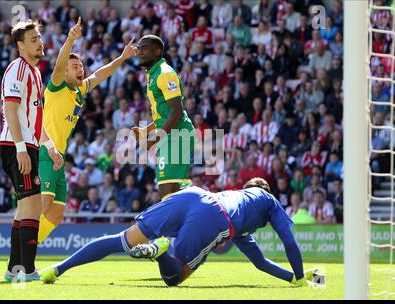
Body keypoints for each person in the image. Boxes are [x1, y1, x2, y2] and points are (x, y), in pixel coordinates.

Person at [40, 178, 318, 287]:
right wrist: (301, 277)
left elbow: (259, 262)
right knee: (176, 276)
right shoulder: (268, 201)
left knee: (120, 241)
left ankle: (58, 269)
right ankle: (160, 252)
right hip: (214, 216)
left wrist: (292, 277)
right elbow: (289, 242)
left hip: (192, 196)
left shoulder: (239, 203)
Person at [37, 17, 136, 243]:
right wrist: (71, 39)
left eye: (81, 65)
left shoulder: (79, 89)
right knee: (43, 206)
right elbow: (60, 63)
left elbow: (100, 74)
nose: (80, 69)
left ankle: (27, 251)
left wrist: (122, 57)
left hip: (58, 156)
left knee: (56, 214)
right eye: (75, 67)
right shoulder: (57, 87)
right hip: (45, 151)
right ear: (65, 72)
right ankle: (20, 255)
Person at [0, 20, 62, 282]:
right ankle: (27, 270)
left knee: (25, 208)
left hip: (26, 146)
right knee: (32, 207)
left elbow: (34, 118)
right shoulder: (18, 69)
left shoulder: (34, 73)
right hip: (16, 146)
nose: (40, 42)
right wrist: (22, 148)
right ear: (20, 46)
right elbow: (11, 110)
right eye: (33, 39)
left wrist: (50, 147)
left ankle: (14, 270)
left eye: (40, 38)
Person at [131, 35, 195, 200]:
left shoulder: (165, 74)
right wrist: (148, 130)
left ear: (158, 51)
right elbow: (165, 114)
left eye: (143, 48)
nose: (139, 52)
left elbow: (176, 112)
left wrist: (153, 140)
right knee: (172, 194)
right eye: (138, 48)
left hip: (178, 135)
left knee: (167, 195)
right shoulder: (153, 73)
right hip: (170, 136)